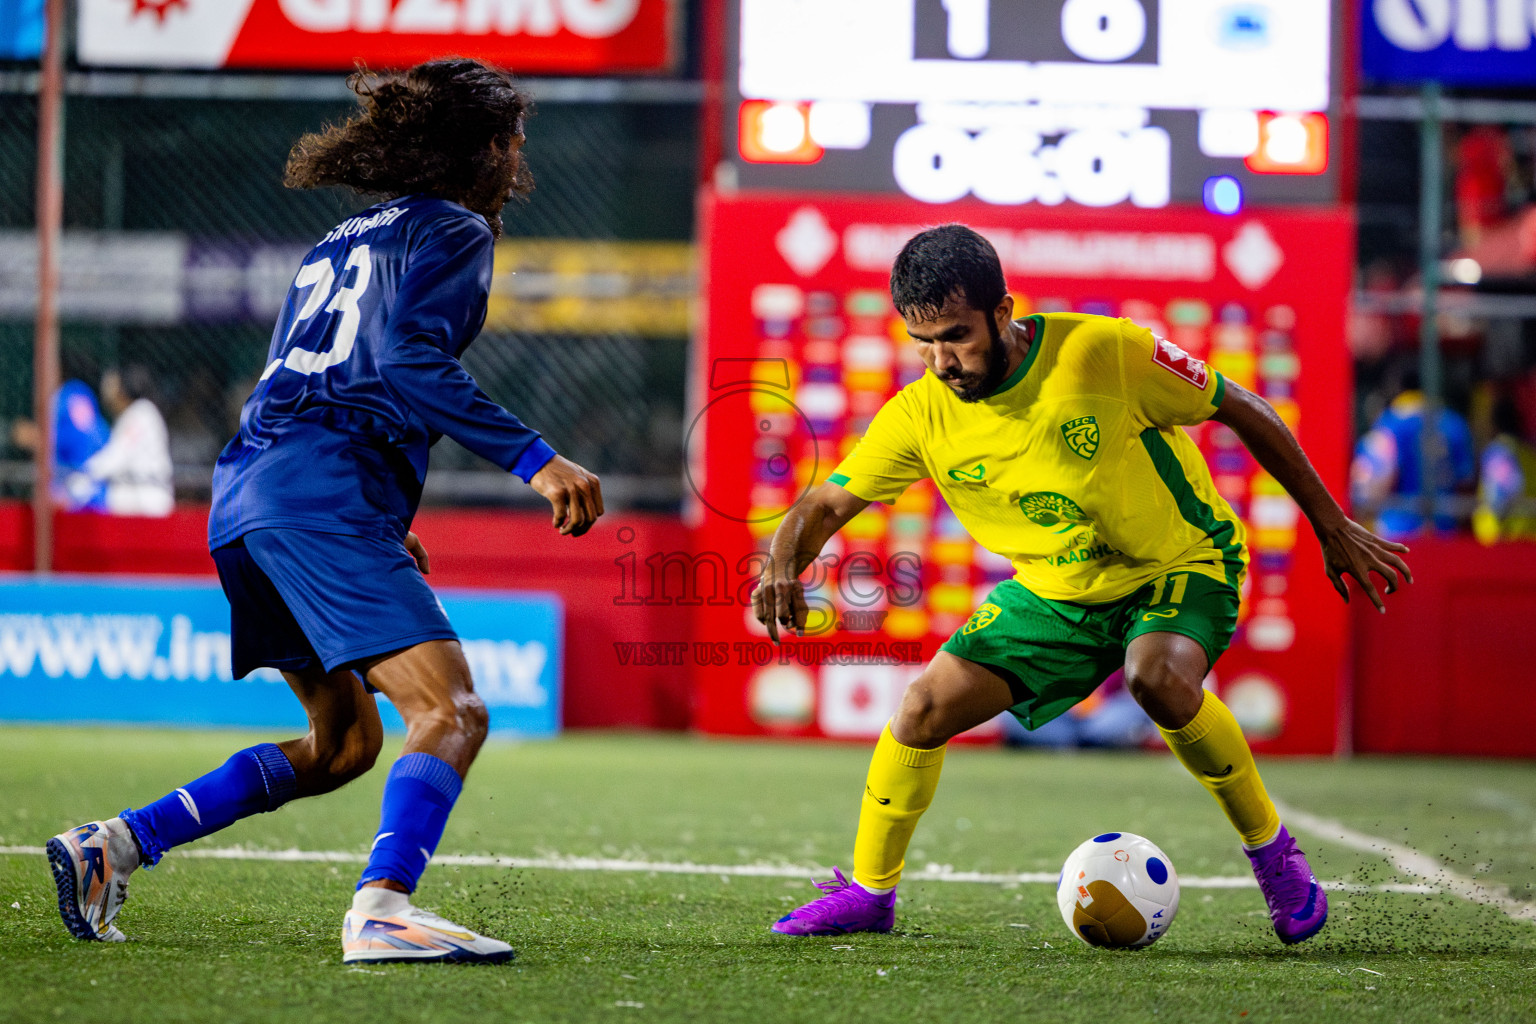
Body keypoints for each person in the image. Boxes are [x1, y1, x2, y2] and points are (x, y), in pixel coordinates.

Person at [46, 58, 603, 964]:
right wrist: (538, 461)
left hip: (252, 499)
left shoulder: (337, 242)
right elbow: (410, 366)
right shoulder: (454, 229)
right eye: (512, 142)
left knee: (344, 744)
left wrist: (372, 508)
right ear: (481, 148)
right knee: (452, 711)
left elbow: (311, 382)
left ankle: (113, 845)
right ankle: (382, 910)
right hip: (317, 500)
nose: (516, 160)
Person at [754, 225, 1411, 945]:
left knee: (1155, 677)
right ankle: (870, 894)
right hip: (1058, 591)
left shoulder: (1104, 352)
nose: (943, 360)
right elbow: (822, 506)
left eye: (957, 335)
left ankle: (1276, 859)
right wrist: (783, 564)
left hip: (1180, 562)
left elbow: (1240, 406)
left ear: (1003, 312)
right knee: (922, 708)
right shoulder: (920, 414)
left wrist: (1330, 524)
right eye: (924, 341)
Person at [1350, 376, 1475, 540]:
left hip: (1397, 533)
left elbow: (1368, 490)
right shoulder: (1454, 424)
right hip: (1446, 533)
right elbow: (1466, 483)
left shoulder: (1389, 425)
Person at [79, 365, 175, 517]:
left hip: (146, 499)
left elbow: (116, 457)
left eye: (113, 386)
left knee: (81, 493)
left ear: (124, 388)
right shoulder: (135, 414)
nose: (108, 392)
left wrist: (82, 474)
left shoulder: (142, 412)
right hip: (137, 495)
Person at [1473, 397, 1536, 544]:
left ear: (1493, 423)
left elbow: (1500, 495)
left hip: (1504, 539)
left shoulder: (1499, 453)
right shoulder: (1528, 453)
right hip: (1529, 536)